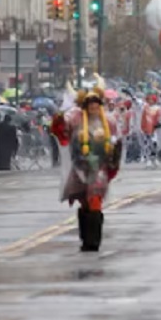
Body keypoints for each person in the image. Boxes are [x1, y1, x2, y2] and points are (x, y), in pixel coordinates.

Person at [57, 80, 120, 252]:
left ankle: (94, 240)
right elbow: (61, 128)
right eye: (90, 104)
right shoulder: (76, 118)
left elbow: (116, 143)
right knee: (84, 202)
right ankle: (85, 239)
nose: (93, 107)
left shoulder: (109, 121)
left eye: (96, 103)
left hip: (99, 168)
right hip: (80, 167)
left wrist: (113, 158)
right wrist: (60, 116)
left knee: (95, 201)